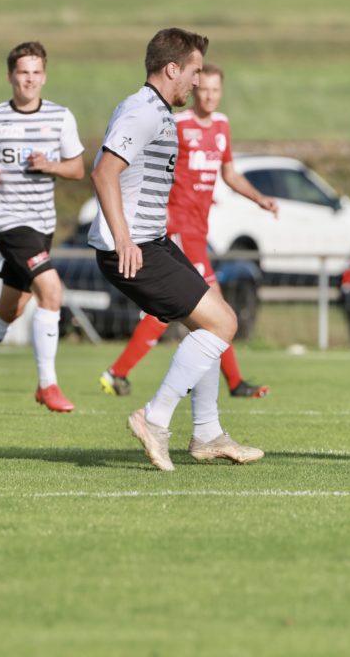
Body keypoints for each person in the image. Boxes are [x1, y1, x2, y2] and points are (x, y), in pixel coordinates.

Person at [89, 27, 261, 471]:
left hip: (153, 241)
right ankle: (154, 416)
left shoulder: (157, 111)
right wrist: (124, 237)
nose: (199, 82)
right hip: (134, 247)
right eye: (195, 71)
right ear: (171, 69)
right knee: (223, 323)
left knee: (208, 324)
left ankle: (206, 433)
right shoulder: (143, 111)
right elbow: (104, 172)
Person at [98, 64, 275, 400]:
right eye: (203, 88)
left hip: (199, 229)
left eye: (214, 90)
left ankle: (118, 371)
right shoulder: (177, 125)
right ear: (194, 90)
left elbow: (230, 173)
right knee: (213, 308)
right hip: (177, 229)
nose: (208, 95)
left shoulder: (221, 125)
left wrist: (259, 198)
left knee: (178, 312)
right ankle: (234, 383)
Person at [0, 42, 85, 415]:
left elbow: (77, 169)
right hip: (9, 222)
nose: (29, 79)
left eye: (36, 72)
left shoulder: (60, 117)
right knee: (52, 292)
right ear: (10, 76)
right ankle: (47, 385)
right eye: (22, 72)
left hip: (43, 224)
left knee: (11, 309)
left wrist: (50, 165)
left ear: (44, 76)